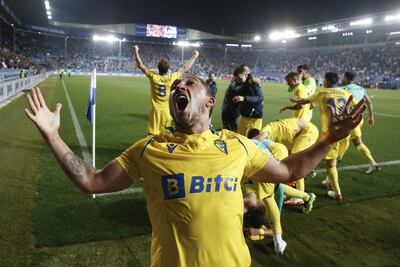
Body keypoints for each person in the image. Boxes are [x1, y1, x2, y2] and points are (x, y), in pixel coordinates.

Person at [24, 74, 365, 267]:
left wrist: (327, 140)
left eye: (188, 83)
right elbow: (91, 181)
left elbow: (290, 170)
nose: (178, 88)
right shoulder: (149, 149)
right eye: (174, 87)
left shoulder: (237, 146)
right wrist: (53, 136)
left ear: (209, 101)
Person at [291, 72, 358, 201]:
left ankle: (337, 192)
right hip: (345, 133)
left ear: (326, 81)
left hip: (331, 134)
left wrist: (294, 99)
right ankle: (328, 181)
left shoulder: (322, 92)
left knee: (330, 163)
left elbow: (305, 101)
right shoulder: (345, 92)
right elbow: (356, 106)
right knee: (333, 160)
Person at [249, 118, 319, 205]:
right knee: (289, 167)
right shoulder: (275, 134)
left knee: (294, 164)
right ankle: (302, 182)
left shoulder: (266, 129)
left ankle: (299, 196)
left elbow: (258, 139)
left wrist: (248, 143)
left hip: (308, 132)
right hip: (297, 136)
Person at [133, 45, 199, 135]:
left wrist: (136, 50)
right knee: (166, 136)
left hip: (155, 112)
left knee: (152, 135)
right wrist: (194, 56)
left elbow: (140, 65)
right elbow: (185, 68)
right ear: (168, 70)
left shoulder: (153, 77)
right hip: (166, 112)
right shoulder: (170, 78)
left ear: (158, 68)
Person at [338, 71, 380, 174]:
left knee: (345, 139)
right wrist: (371, 117)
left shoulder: (342, 89)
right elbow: (369, 102)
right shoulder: (361, 89)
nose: (342, 79)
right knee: (356, 142)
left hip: (349, 119)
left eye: (343, 77)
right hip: (359, 118)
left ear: (346, 78)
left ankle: (338, 159)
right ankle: (373, 164)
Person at [232, 65, 264, 137]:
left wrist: (244, 98)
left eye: (240, 79)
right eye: (237, 79)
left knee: (252, 141)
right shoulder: (244, 83)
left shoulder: (253, 83)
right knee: (240, 138)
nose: (239, 81)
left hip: (254, 118)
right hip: (245, 115)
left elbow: (260, 98)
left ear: (246, 75)